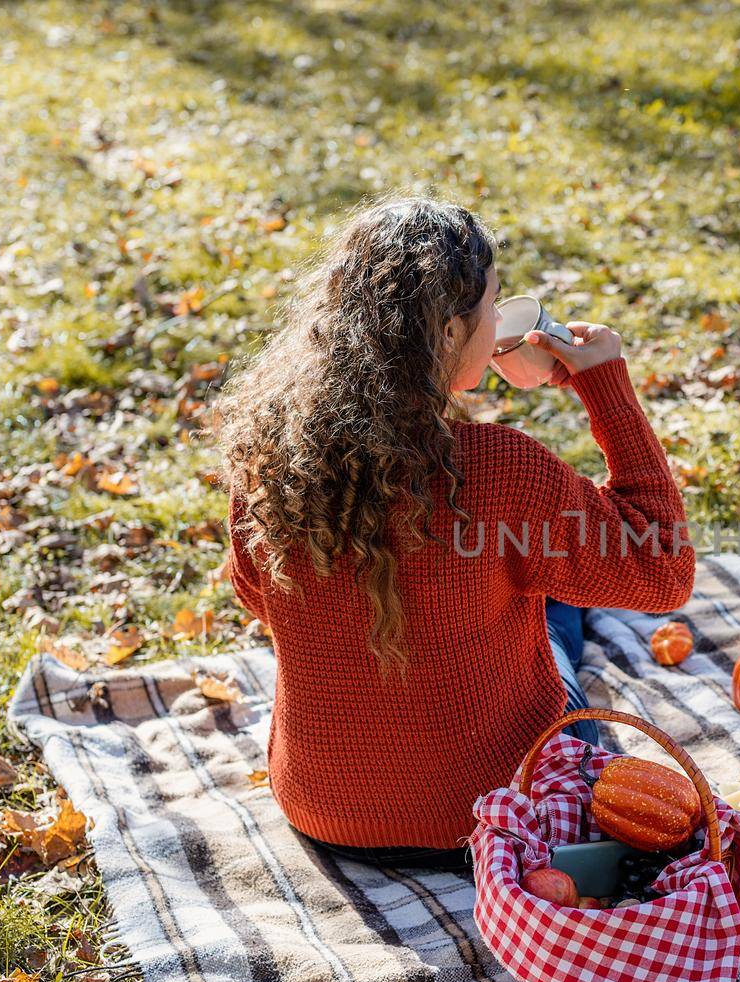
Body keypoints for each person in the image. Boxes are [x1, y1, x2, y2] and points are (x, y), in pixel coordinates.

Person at [212, 194, 694, 872]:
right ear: (446, 334)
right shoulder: (501, 471)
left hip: (323, 812)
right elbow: (664, 568)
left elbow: (257, 594)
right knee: (558, 603)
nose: (501, 321)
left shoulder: (268, 453)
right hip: (494, 810)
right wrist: (606, 386)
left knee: (533, 575)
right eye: (492, 306)